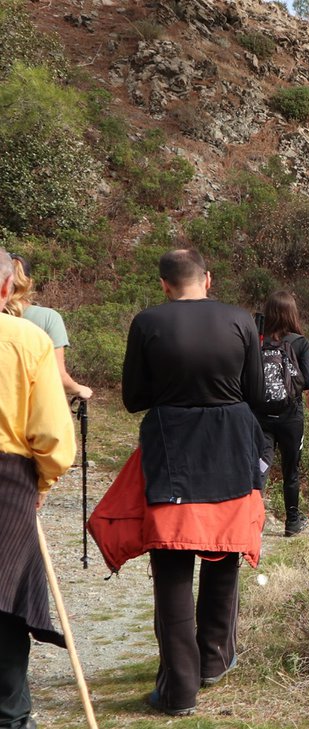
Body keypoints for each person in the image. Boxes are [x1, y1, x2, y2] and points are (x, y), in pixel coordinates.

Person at [121, 249, 266, 716]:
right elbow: (256, 393)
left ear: (164, 285)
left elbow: (133, 397)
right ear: (208, 278)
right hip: (231, 442)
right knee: (224, 551)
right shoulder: (240, 320)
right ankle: (214, 661)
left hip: (172, 444)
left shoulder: (148, 322)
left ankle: (179, 689)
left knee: (172, 560)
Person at [0, 249, 75, 729]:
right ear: (7, 286)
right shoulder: (27, 339)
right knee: (5, 602)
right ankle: (11, 717)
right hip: (8, 483)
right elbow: (51, 435)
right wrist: (43, 481)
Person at [256, 291, 309, 537]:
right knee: (291, 471)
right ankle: (292, 522)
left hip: (260, 417)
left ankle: (251, 523)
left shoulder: (258, 340)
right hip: (291, 418)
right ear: (292, 313)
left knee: (259, 467)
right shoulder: (300, 343)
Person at [4, 254, 93, 402]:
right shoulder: (49, 318)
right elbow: (58, 375)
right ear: (29, 283)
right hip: (30, 408)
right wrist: (78, 388)